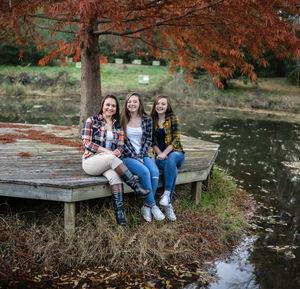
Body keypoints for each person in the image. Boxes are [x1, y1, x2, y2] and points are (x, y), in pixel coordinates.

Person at [81, 94, 150, 226]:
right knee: (112, 158)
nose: (110, 108)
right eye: (107, 105)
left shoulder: (117, 125)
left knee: (115, 178)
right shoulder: (92, 120)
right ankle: (136, 187)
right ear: (102, 106)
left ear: (116, 109)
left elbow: (120, 147)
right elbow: (86, 143)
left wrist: (112, 154)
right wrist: (107, 153)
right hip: (91, 161)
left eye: (113, 106)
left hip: (109, 164)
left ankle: (120, 214)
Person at [120, 92, 164, 222]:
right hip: (126, 156)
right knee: (145, 172)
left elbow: (148, 140)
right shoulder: (121, 119)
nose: (132, 104)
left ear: (139, 104)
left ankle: (146, 206)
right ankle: (153, 204)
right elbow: (121, 143)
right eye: (129, 101)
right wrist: (134, 156)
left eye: (135, 102)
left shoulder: (147, 119)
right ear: (126, 103)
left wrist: (140, 155)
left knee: (155, 172)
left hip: (143, 154)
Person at [150, 95, 185, 221]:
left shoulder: (173, 117)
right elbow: (152, 142)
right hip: (160, 155)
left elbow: (176, 139)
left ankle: (166, 194)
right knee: (172, 169)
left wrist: (165, 153)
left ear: (167, 106)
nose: (160, 106)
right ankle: (168, 203)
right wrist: (160, 154)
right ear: (155, 105)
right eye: (158, 103)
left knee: (172, 158)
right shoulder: (151, 120)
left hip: (176, 153)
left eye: (163, 104)